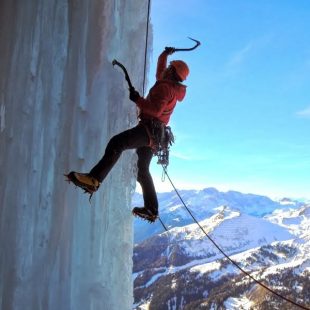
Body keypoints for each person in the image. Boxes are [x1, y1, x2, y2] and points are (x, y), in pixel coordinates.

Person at [66, 47, 189, 222]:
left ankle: (94, 179)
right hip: (155, 135)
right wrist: (164, 54)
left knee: (118, 143)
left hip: (149, 130)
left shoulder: (166, 89)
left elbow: (155, 110)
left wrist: (137, 99)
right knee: (142, 170)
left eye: (170, 67)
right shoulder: (168, 84)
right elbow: (160, 71)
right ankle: (151, 209)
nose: (167, 68)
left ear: (173, 71)